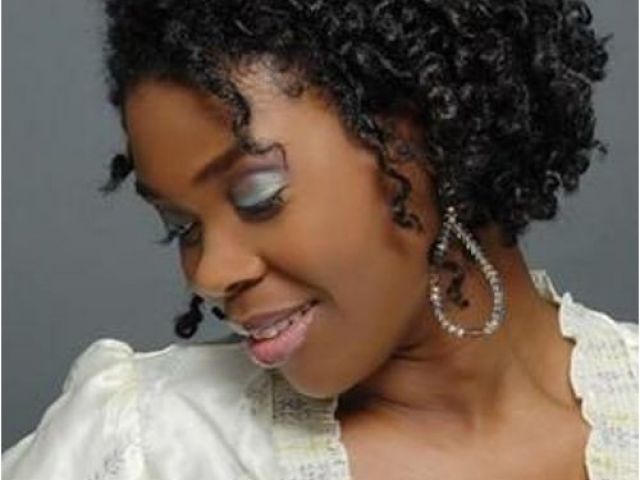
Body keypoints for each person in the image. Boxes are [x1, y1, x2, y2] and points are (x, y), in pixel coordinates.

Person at [3, 1, 637, 479]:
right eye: (183, 226)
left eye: (257, 195)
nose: (209, 273)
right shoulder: (149, 450)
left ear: (430, 133)